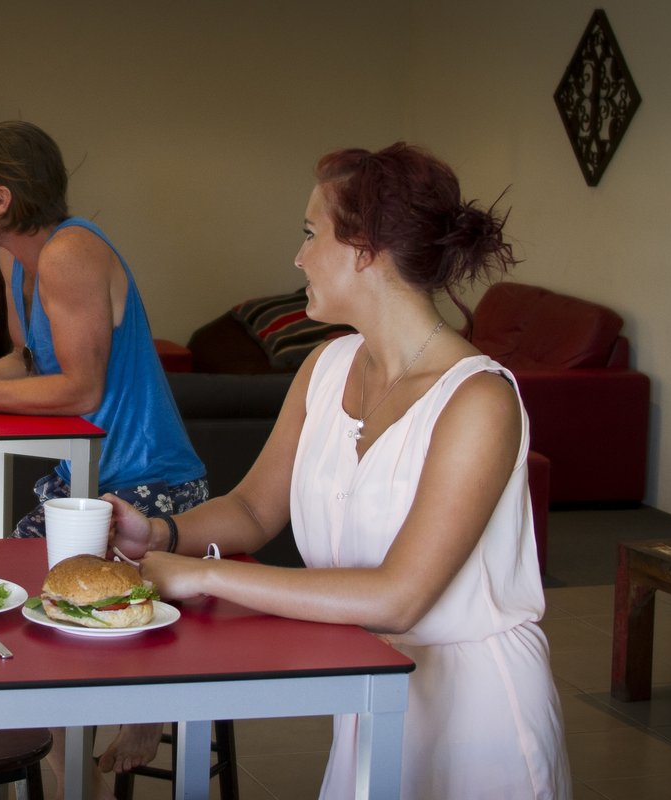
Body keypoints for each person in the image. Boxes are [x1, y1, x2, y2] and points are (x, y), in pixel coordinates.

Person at [106, 142, 571, 798]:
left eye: (308, 233)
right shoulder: (325, 369)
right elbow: (252, 511)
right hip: (368, 689)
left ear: (366, 248)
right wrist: (158, 535)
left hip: (475, 720)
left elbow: (399, 596)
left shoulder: (478, 400)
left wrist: (205, 574)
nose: (297, 256)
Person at [0, 120, 209, 789]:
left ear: (1, 200)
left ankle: (133, 710)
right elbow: (25, 362)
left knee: (48, 620)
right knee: (11, 606)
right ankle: (80, 743)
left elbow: (81, 386)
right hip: (82, 479)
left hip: (150, 487)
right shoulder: (15, 259)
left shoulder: (69, 252)